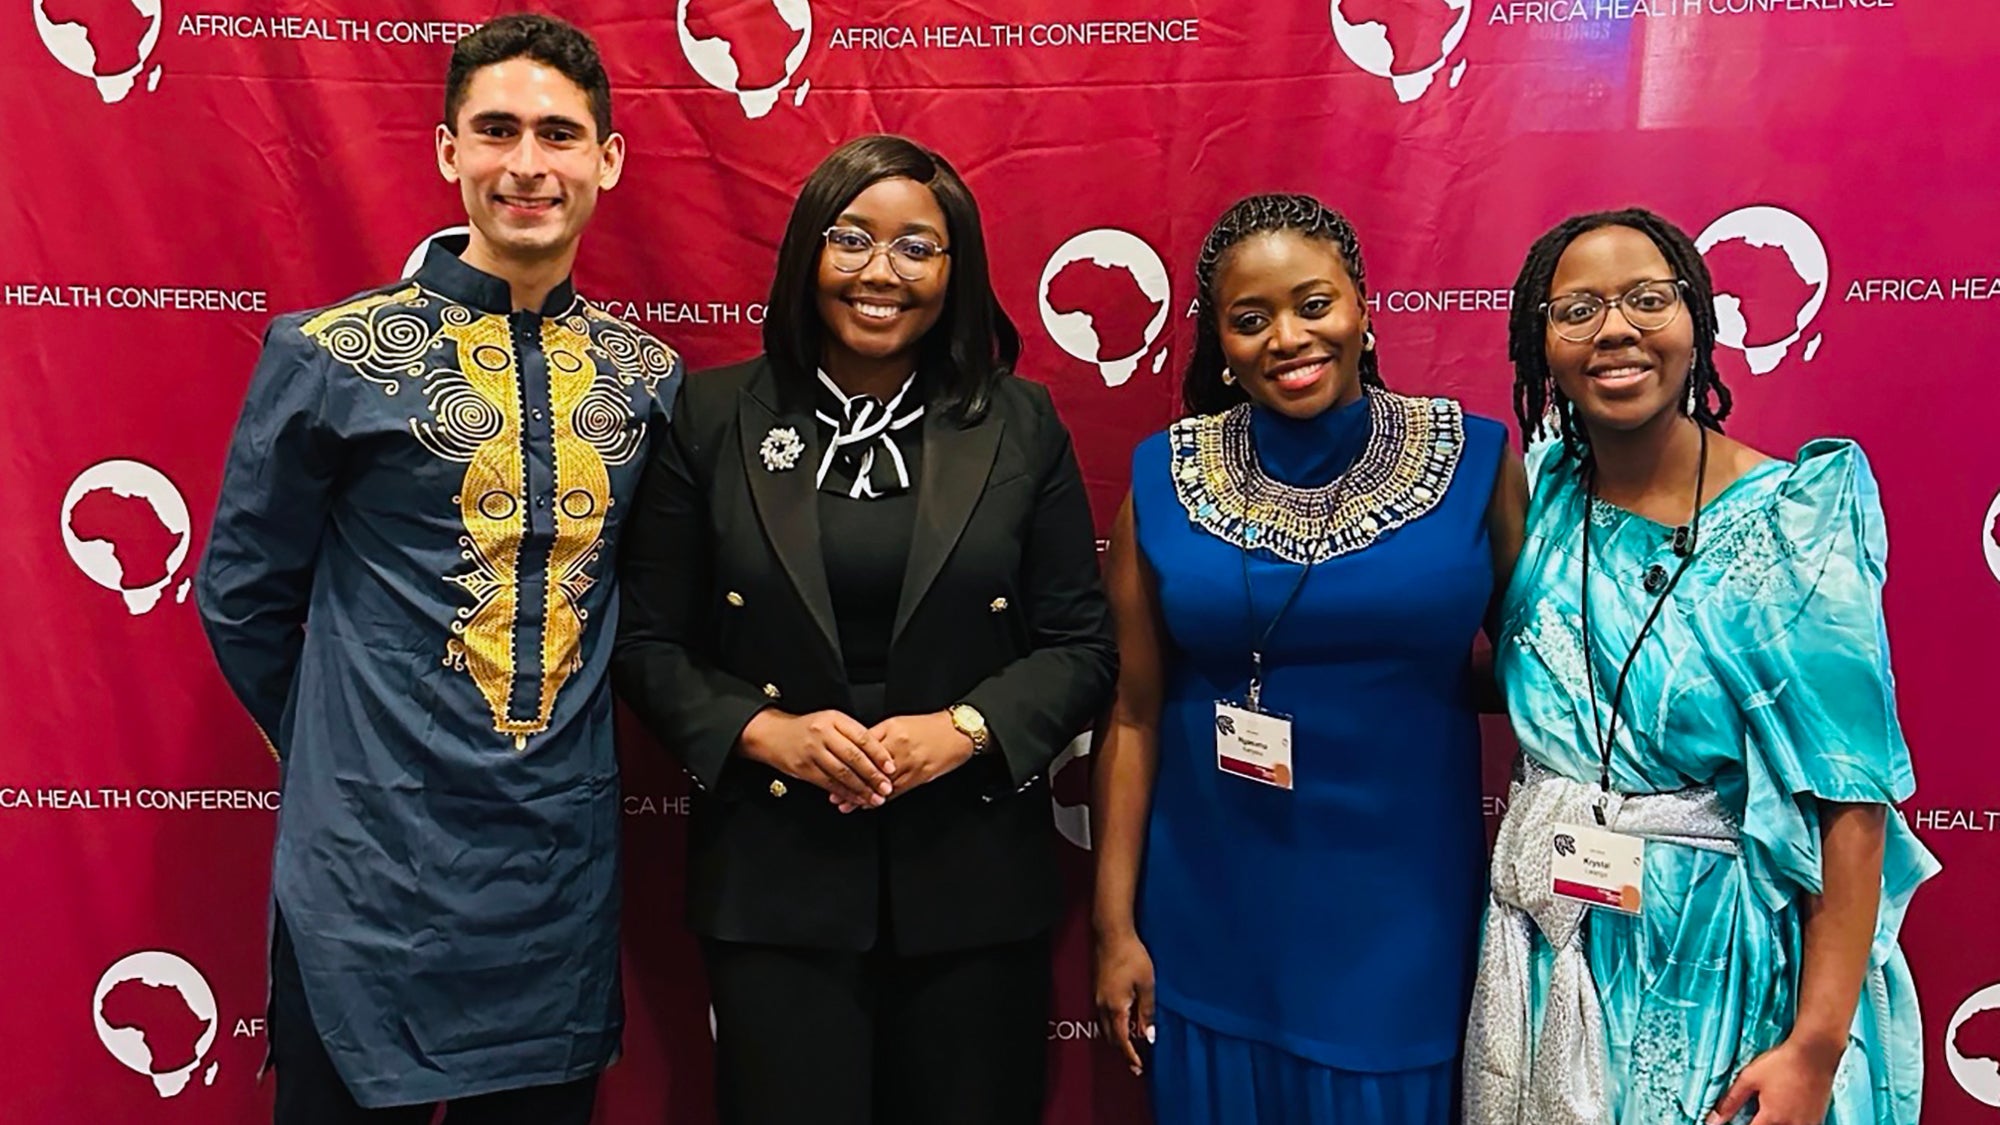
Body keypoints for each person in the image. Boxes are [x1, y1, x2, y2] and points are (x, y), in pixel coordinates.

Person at [195, 14, 676, 1123]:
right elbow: (241, 596)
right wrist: (345, 742)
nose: (526, 164)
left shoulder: (645, 377)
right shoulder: (332, 357)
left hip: (553, 860)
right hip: (367, 860)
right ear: (447, 150)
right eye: (495, 130)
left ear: (605, 160)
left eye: (558, 135)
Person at [611, 134, 1116, 1125]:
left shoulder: (1019, 422)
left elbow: (1081, 646)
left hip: (972, 876)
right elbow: (643, 642)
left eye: (915, 247)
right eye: (851, 239)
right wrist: (765, 734)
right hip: (774, 875)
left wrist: (965, 729)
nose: (879, 272)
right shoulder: (711, 417)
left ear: (954, 268)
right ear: (806, 253)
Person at [1465, 208, 1937, 1125]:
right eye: (1579, 309)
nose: (1616, 330)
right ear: (1540, 341)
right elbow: (1554, 684)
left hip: (1719, 961)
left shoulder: (1795, 521)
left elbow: (1852, 800)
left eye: (1648, 299)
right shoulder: (1552, 489)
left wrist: (1813, 1048)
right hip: (1556, 943)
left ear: (1697, 320)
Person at [1092, 193, 1526, 1125]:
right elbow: (1132, 713)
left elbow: (1540, 675)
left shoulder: (1478, 462)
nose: (1287, 337)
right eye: (1251, 320)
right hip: (1209, 908)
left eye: (1314, 304)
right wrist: (1115, 925)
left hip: (1400, 910)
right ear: (1219, 341)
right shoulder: (1163, 476)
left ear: (1365, 309)